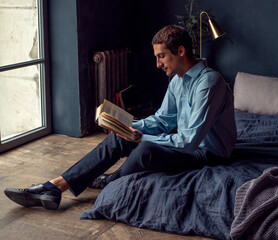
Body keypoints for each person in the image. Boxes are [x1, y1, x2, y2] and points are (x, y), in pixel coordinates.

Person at [4, 25, 237, 210]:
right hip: (189, 147)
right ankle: (54, 186)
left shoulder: (209, 83)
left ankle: (110, 181)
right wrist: (127, 126)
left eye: (162, 56)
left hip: (209, 155)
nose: (157, 64)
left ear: (181, 51)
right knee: (121, 138)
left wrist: (140, 139)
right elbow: (164, 121)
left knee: (144, 149)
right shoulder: (177, 80)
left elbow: (188, 143)